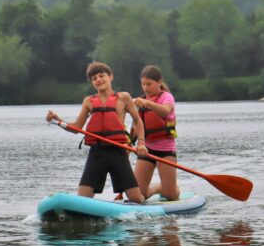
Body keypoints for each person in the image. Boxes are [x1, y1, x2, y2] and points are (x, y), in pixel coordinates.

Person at [46, 62, 148, 203]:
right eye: (94, 78)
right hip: (97, 153)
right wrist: (58, 120)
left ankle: (145, 199)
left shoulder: (123, 97)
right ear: (92, 82)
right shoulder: (88, 101)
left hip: (118, 151)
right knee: (82, 198)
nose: (98, 80)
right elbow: (76, 128)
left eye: (101, 76)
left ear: (110, 77)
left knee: (136, 199)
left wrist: (141, 143)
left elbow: (138, 121)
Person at [132, 65, 180, 201]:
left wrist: (147, 103)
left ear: (159, 82)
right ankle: (156, 189)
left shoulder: (167, 97)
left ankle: (167, 188)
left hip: (165, 150)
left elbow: (165, 111)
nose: (145, 87)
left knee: (170, 195)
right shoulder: (141, 101)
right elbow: (136, 127)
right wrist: (129, 144)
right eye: (143, 84)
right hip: (146, 150)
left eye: (149, 84)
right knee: (139, 195)